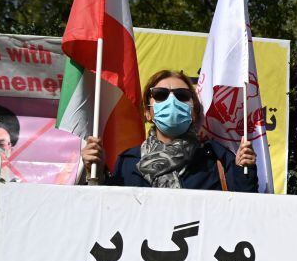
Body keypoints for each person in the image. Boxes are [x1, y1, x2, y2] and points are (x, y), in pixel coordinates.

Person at [80, 69, 257, 191]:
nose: (172, 101)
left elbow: (243, 213)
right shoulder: (127, 162)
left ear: (194, 112)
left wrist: (244, 170)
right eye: (160, 95)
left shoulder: (216, 159)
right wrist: (95, 172)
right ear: (148, 113)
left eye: (182, 95)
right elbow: (106, 214)